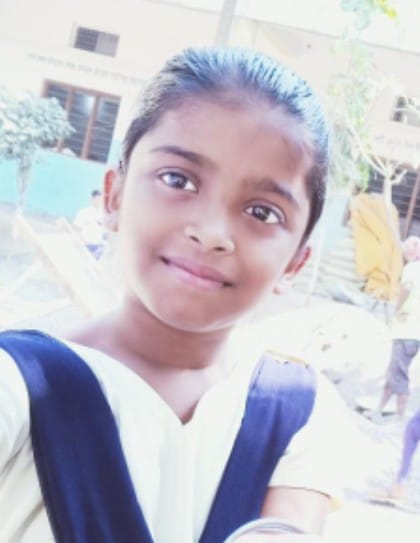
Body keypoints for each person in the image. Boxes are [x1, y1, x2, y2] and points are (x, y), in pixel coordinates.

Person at [0, 47, 348, 543]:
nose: (211, 232)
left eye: (262, 212)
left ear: (295, 261)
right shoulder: (20, 383)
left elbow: (289, 526)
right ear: (114, 196)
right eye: (178, 180)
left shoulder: (295, 409)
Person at [374, 235, 420, 420]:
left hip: (406, 331)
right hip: (414, 334)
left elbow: (406, 289)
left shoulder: (412, 269)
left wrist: (397, 308)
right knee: (393, 372)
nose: (404, 253)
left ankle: (400, 417)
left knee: (398, 375)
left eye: (407, 249)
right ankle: (379, 409)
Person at [73, 189, 106, 259]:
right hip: (86, 246)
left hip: (99, 247)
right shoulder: (84, 212)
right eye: (96, 199)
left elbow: (106, 232)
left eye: (100, 199)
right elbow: (76, 227)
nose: (98, 201)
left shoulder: (104, 214)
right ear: (92, 199)